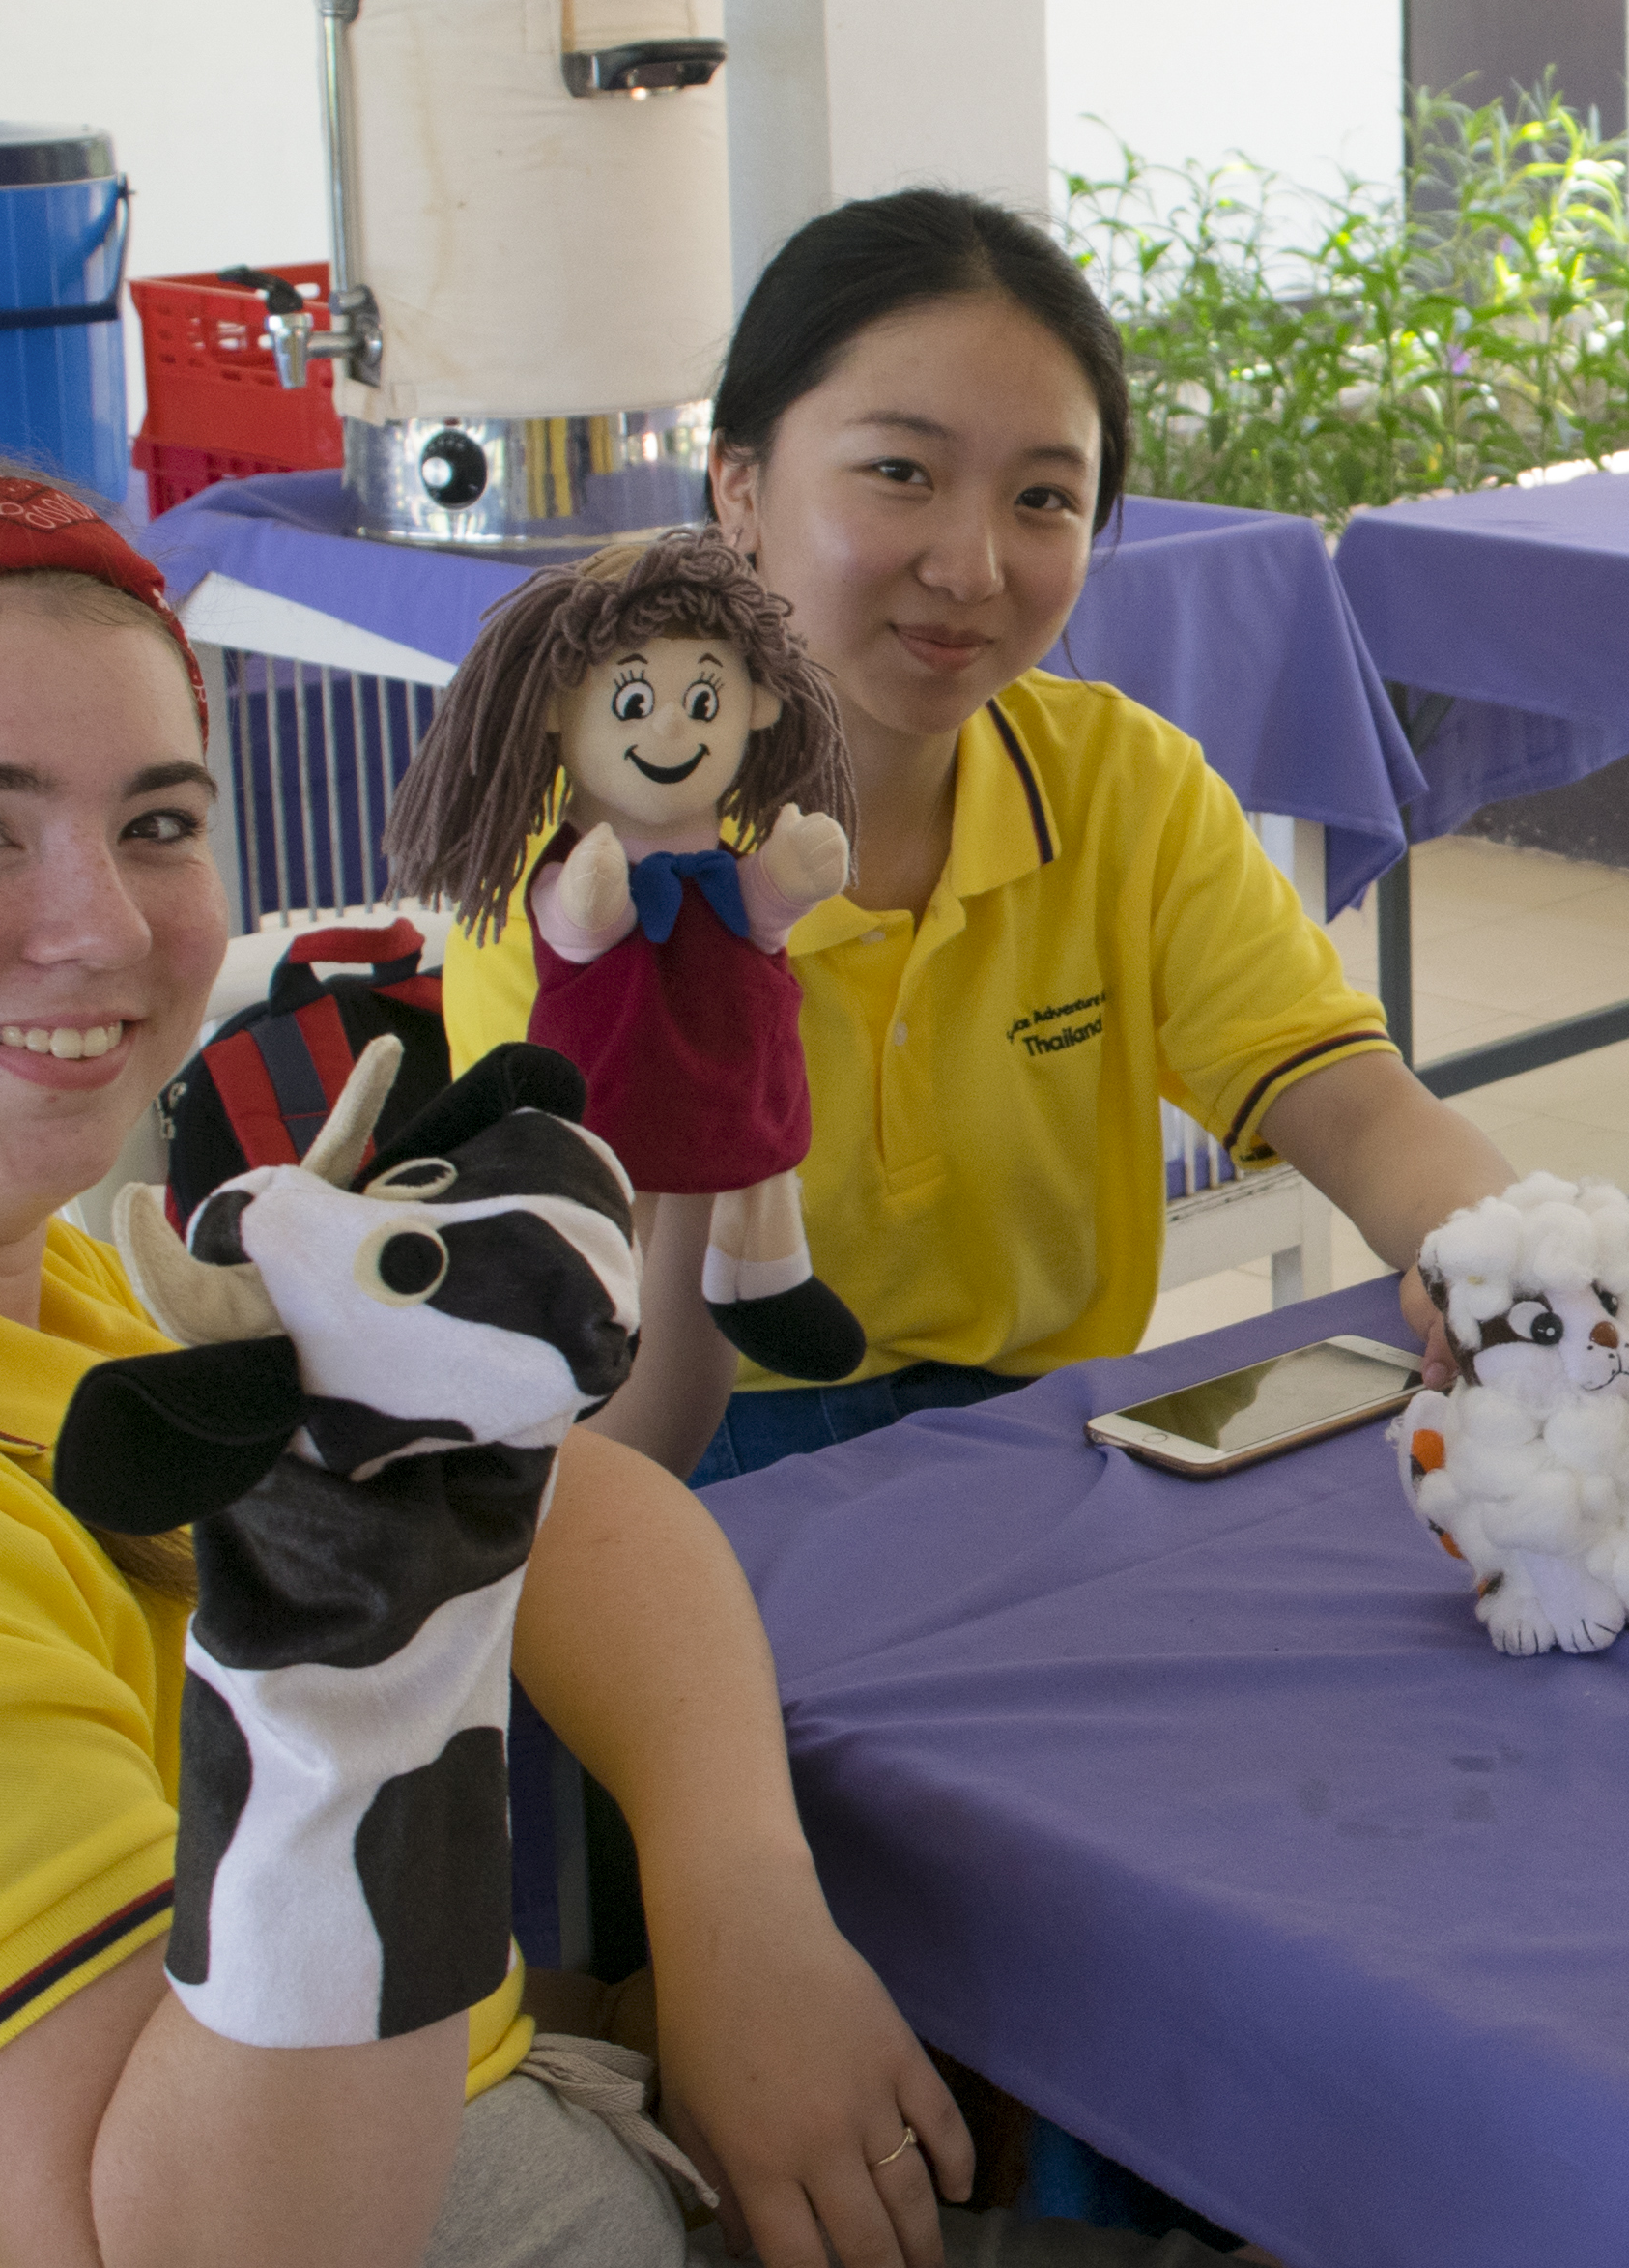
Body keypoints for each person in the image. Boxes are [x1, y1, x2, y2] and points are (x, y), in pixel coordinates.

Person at [0, 461, 1629, 2268]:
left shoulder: (5, 1296)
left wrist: (729, 1902)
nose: (102, 922)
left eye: (159, 818)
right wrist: (355, 1642)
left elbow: (596, 1509)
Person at [443, 191, 1515, 1482]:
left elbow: (1349, 1104)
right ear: (739, 485)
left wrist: (1500, 1264)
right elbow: (591, 1379)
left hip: (1043, 1440)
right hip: (686, 1451)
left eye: (1044, 497)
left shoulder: (1121, 786)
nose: (972, 565)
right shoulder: (592, 870)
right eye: (901, 472)